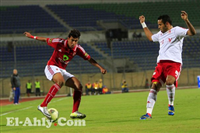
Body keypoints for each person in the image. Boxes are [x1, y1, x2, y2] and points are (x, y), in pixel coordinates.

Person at [24, 29, 106, 120]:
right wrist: (32, 37)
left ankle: (74, 112)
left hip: (62, 69)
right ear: (68, 38)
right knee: (60, 81)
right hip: (51, 66)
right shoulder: (59, 42)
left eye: (76, 41)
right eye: (72, 40)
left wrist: (100, 67)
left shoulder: (78, 49)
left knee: (78, 86)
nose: (73, 43)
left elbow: (89, 59)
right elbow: (45, 39)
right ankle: (43, 105)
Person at [139, 11, 196, 119]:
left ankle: (171, 104)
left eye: (160, 24)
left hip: (174, 63)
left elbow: (192, 32)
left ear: (167, 24)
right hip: (161, 64)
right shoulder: (160, 35)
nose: (159, 26)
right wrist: (143, 24)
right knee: (154, 85)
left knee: (169, 81)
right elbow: (150, 37)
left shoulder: (177, 31)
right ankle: (148, 113)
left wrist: (186, 21)